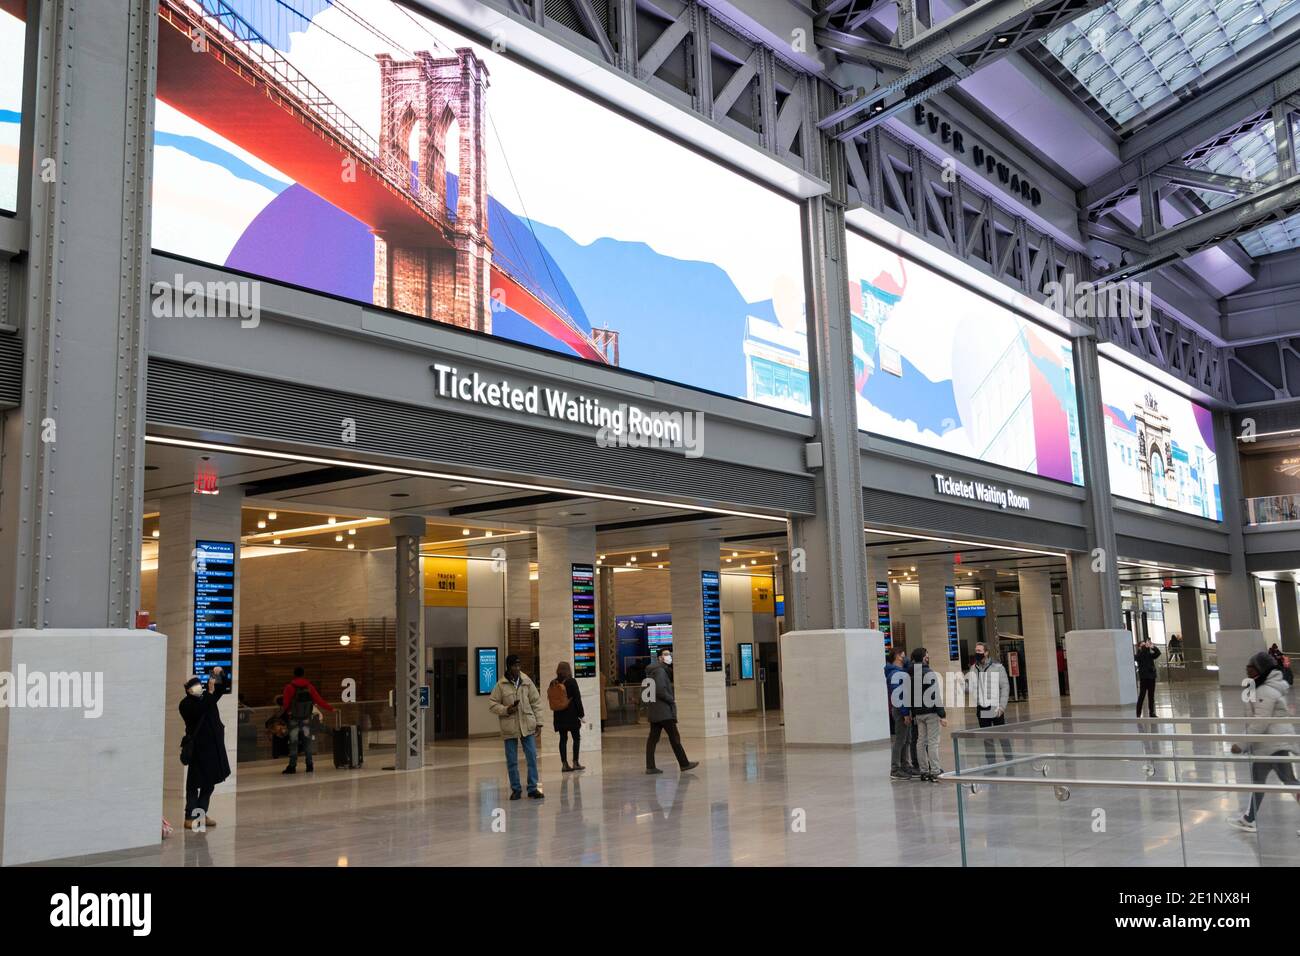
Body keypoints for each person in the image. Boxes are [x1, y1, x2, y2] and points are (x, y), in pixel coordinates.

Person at [1228, 651, 1300, 833]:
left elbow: (1260, 721)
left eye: (1251, 669)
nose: (1248, 672)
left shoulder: (1264, 691)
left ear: (1262, 670)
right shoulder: (1261, 688)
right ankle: (1249, 818)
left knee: (1289, 781)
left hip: (1273, 745)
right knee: (1259, 782)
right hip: (1267, 745)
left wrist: (1241, 744)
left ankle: (1249, 818)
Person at [178, 667, 230, 829]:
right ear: (188, 690)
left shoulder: (206, 698)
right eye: (195, 687)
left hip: (214, 748)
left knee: (209, 783)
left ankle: (201, 814)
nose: (199, 688)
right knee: (194, 784)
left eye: (200, 685)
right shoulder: (186, 704)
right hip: (199, 749)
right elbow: (201, 708)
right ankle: (189, 816)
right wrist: (209, 692)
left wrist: (218, 674)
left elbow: (221, 689)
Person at [489, 654, 545, 800]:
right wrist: (506, 709)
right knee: (512, 760)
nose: (517, 668)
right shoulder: (500, 685)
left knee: (532, 757)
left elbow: (536, 702)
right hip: (510, 727)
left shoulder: (526, 681)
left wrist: (539, 722)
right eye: (514, 666)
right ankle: (516, 789)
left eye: (519, 665)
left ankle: (533, 788)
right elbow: (492, 704)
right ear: (509, 667)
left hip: (527, 725)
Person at [644, 646, 699, 775]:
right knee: (674, 737)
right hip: (664, 711)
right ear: (659, 658)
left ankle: (650, 766)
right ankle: (684, 763)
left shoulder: (651, 671)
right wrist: (671, 700)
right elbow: (660, 690)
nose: (669, 656)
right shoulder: (660, 671)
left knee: (653, 739)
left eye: (669, 654)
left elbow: (649, 692)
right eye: (666, 654)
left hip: (655, 709)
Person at [279, 666, 335, 774]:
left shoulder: (289, 687)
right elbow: (319, 700)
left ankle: (292, 766)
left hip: (293, 719)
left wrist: (286, 712)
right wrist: (331, 709)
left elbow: (285, 704)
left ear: (294, 674)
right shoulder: (309, 687)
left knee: (293, 743)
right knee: (307, 743)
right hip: (306, 718)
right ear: (303, 674)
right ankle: (309, 765)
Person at [969, 642, 1013, 771]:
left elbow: (1005, 687)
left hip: (996, 707)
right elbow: (973, 687)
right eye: (975, 650)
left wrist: (1002, 707)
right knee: (987, 738)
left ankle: (1010, 762)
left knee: (1002, 736)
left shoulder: (997, 667)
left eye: (979, 650)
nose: (977, 652)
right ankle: (991, 765)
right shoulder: (973, 668)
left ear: (986, 652)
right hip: (982, 708)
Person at [909, 647, 947, 782]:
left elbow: (910, 696)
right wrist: (942, 714)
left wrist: (912, 713)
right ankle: (935, 771)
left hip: (918, 713)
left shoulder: (910, 673)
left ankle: (924, 771)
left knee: (920, 742)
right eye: (927, 654)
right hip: (930, 712)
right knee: (932, 742)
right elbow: (935, 694)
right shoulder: (929, 673)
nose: (928, 656)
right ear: (924, 657)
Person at [884, 647, 916, 780]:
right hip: (900, 709)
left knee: (907, 739)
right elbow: (899, 696)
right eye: (903, 655)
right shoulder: (894, 674)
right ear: (897, 656)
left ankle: (905, 765)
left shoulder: (900, 671)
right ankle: (895, 768)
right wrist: (905, 713)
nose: (906, 657)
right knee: (900, 740)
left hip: (904, 709)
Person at [549, 661, 586, 772]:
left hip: (559, 715)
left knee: (563, 739)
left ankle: (564, 764)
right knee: (576, 738)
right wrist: (581, 715)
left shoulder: (553, 682)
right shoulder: (572, 682)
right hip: (572, 715)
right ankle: (575, 762)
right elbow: (577, 699)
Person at [1134, 639, 1161, 718]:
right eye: (1142, 645)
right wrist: (1144, 647)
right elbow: (1139, 656)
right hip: (1144, 678)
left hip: (1151, 677)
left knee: (1151, 696)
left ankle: (1151, 712)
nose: (1145, 646)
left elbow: (1158, 653)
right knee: (1142, 695)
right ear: (1139, 647)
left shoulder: (1149, 654)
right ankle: (1138, 713)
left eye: (1145, 645)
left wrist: (1152, 647)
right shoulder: (1139, 655)